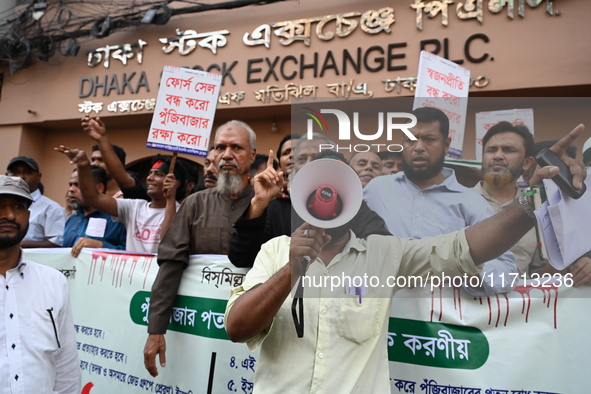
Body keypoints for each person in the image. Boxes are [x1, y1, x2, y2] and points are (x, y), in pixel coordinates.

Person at [224, 124, 587, 393]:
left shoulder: (387, 254)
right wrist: (292, 270)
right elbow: (237, 328)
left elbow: (469, 246)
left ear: (355, 197)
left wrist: (532, 199)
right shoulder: (275, 252)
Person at [143, 120, 257, 377]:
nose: (226, 155)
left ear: (252, 155)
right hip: (200, 332)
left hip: (255, 335)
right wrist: (156, 329)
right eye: (220, 148)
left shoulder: (269, 203)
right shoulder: (195, 205)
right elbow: (170, 265)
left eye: (236, 148)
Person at [364, 107, 516, 295]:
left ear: (446, 145)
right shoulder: (376, 189)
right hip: (379, 316)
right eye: (411, 140)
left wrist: (463, 269)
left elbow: (506, 267)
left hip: (441, 321)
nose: (418, 147)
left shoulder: (472, 202)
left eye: (429, 139)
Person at [228, 133, 390, 268]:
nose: (309, 165)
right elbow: (241, 258)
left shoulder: (351, 204)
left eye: (317, 158)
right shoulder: (276, 207)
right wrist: (258, 204)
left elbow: (384, 252)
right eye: (301, 159)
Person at [0, 175, 81, 393]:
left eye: (18, 206)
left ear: (28, 215)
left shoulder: (53, 282)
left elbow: (66, 364)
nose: (8, 215)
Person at [55, 146, 183, 254]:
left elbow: (167, 244)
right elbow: (94, 198)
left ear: (176, 183)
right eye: (150, 173)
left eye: (158, 175)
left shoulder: (184, 211)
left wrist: (170, 198)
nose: (150, 178)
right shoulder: (135, 207)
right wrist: (83, 166)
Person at [472, 122, 537, 275]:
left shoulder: (537, 206)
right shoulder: (457, 201)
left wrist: (577, 264)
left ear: (527, 162)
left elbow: (544, 271)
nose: (497, 156)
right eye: (491, 150)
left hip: (525, 298)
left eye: (509, 150)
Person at [63, 166, 126, 257]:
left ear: (99, 188)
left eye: (78, 185)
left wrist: (101, 246)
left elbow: (131, 256)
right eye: (71, 185)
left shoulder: (117, 219)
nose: (71, 190)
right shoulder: (72, 219)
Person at [82, 115, 149, 201]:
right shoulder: (91, 193)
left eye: (101, 160)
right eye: (93, 160)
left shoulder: (132, 194)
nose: (95, 164)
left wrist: (101, 139)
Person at [6, 156, 66, 248]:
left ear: (39, 176)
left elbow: (57, 243)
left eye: (27, 172)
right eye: (14, 172)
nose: (20, 177)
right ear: (7, 175)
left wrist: (15, 245)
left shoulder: (51, 208)